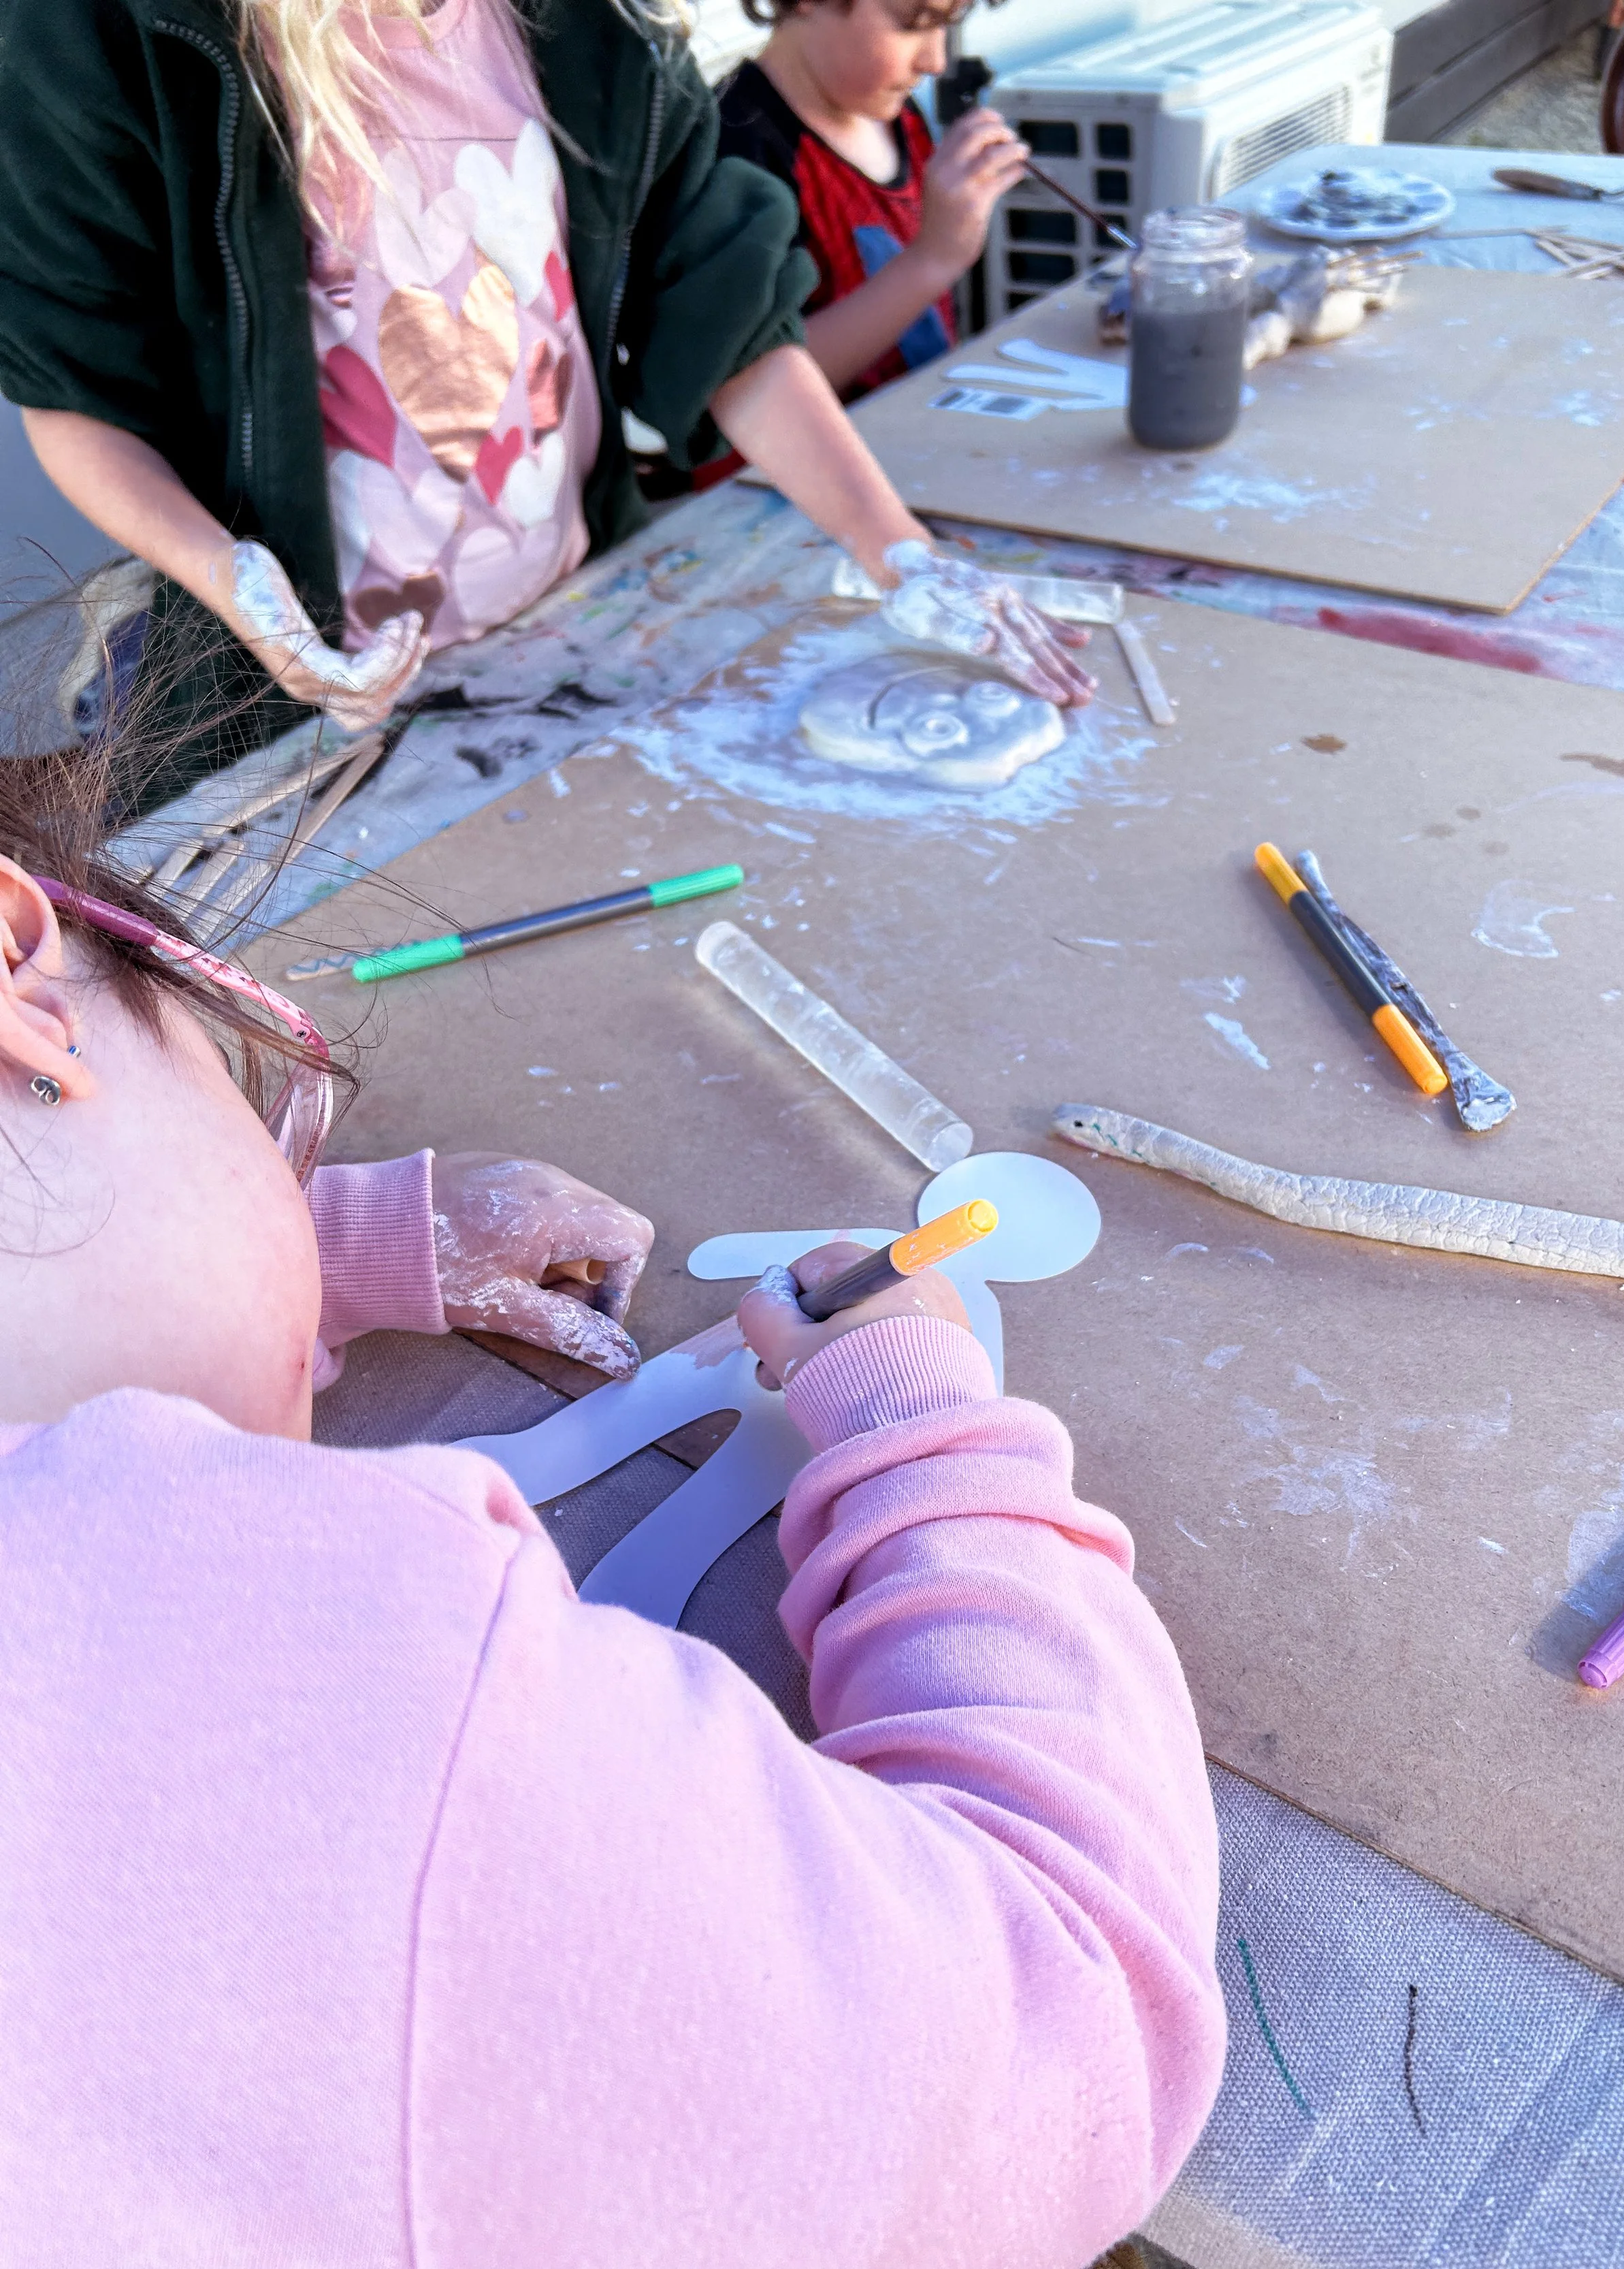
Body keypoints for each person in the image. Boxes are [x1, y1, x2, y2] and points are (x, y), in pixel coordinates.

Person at [0, 734, 1225, 2264]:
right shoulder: (338, 1660)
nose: (287, 1162)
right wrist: (925, 1441)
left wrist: (337, 1240)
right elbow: (1062, 2028)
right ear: (22, 989)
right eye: (258, 1110)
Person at [0, 0, 1090, 803]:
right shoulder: (108, 36)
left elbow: (729, 323)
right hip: (294, 709)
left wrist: (897, 548)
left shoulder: (591, 29)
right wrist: (231, 578)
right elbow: (77, 394)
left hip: (570, 631)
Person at [719, 0, 1024, 404]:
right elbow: (749, 385)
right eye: (914, 25)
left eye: (948, 25)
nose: (935, 62)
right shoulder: (735, 153)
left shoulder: (899, 116)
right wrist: (932, 259)